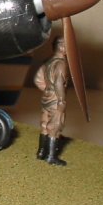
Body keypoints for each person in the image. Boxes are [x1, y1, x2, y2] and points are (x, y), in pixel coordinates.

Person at [33, 37, 69, 166]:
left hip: (46, 97)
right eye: (67, 45)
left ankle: (41, 152)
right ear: (61, 46)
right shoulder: (61, 64)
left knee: (44, 124)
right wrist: (61, 100)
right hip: (56, 99)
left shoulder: (47, 62)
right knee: (55, 126)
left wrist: (47, 90)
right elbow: (59, 83)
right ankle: (51, 157)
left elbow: (38, 79)